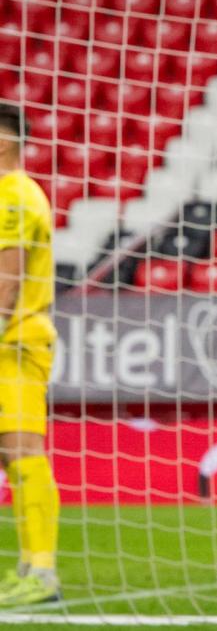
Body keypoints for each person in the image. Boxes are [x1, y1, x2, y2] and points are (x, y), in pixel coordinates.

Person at [0, 103, 61, 606]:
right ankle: (28, 564)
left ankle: (41, 573)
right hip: (13, 340)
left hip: (13, 341)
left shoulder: (13, 192)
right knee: (12, 454)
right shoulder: (20, 191)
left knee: (24, 454)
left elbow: (8, 271)